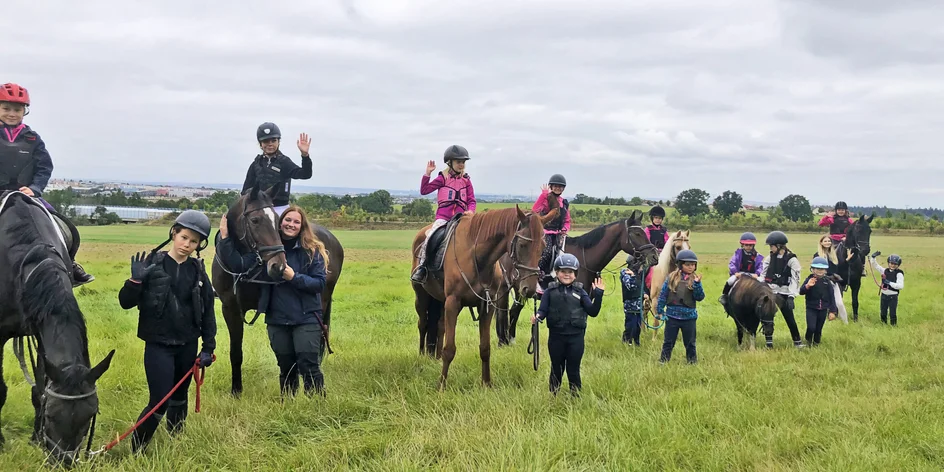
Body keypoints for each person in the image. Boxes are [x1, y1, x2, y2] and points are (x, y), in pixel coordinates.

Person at [118, 210, 216, 452]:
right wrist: (135, 282)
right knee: (160, 400)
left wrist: (209, 347)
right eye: (184, 237)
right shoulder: (151, 264)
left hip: (188, 344)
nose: (187, 245)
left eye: (194, 241)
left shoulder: (199, 271)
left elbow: (208, 311)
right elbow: (125, 302)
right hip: (158, 344)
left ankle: (176, 441)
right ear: (174, 233)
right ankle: (137, 451)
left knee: (180, 395)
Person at [217, 206, 330, 397]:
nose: (291, 225)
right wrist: (225, 238)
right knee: (285, 366)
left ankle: (316, 405)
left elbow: (319, 283)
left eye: (296, 222)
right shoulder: (265, 251)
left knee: (308, 363)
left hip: (306, 317)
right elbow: (238, 265)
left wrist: (294, 277)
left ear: (302, 226)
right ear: (279, 222)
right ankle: (288, 404)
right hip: (277, 317)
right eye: (287, 220)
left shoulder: (311, 251)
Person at [0, 82, 94, 285]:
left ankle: (70, 261)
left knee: (58, 223)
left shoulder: (33, 138)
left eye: (17, 109)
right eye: (6, 108)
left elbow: (44, 168)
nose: (12, 113)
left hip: (26, 193)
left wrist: (34, 189)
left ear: (25, 111)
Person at [531, 253, 604, 395]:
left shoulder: (581, 292)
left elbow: (593, 311)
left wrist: (599, 295)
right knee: (556, 369)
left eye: (570, 272)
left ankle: (575, 397)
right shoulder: (549, 292)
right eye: (563, 271)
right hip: (556, 339)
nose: (566, 274)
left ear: (575, 274)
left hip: (576, 340)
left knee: (573, 369)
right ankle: (553, 396)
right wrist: (537, 317)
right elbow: (543, 310)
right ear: (557, 272)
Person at [411, 145, 476, 283]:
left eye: (463, 162)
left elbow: (471, 200)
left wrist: (470, 211)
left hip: (461, 218)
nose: (461, 164)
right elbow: (424, 190)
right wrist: (427, 174)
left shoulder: (467, 180)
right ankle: (422, 267)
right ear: (450, 163)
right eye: (458, 161)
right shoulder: (442, 178)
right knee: (430, 237)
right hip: (444, 218)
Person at [241, 122, 313, 216]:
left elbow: (305, 174)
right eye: (266, 141)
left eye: (273, 140)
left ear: (278, 142)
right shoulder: (256, 164)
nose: (270, 144)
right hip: (259, 209)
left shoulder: (284, 162)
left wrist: (305, 156)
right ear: (260, 144)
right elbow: (245, 190)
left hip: (280, 209)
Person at [657, 249, 704, 364]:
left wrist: (697, 285)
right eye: (687, 265)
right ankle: (663, 361)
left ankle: (692, 362)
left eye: (693, 265)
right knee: (668, 342)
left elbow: (700, 297)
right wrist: (660, 310)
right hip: (672, 317)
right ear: (680, 264)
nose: (690, 267)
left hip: (689, 318)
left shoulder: (695, 279)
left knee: (690, 343)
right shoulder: (671, 278)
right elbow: (663, 294)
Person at [760, 231, 806, 349]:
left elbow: (795, 279)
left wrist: (791, 296)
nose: (770, 248)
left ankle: (797, 342)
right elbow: (763, 275)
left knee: (789, 317)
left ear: (779, 245)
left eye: (772, 246)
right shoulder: (769, 258)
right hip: (771, 291)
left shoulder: (792, 260)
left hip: (785, 292)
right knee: (767, 316)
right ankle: (769, 343)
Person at [533, 174, 571, 291]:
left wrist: (565, 229)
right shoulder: (545, 198)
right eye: (555, 186)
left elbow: (567, 220)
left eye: (560, 187)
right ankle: (537, 273)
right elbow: (535, 209)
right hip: (545, 232)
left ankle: (558, 276)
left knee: (564, 252)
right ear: (551, 186)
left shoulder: (564, 202)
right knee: (548, 251)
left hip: (558, 233)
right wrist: (543, 194)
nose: (558, 188)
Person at [799, 257, 839, 346]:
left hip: (823, 309)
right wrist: (808, 286)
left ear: (825, 270)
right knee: (811, 327)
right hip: (811, 308)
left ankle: (816, 343)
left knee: (818, 328)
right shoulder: (809, 279)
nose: (820, 271)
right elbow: (801, 291)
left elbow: (832, 297)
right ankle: (808, 340)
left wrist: (832, 311)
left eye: (822, 269)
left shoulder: (827, 282)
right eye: (817, 269)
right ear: (812, 269)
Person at [718, 232, 764, 307]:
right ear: (742, 245)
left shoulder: (757, 256)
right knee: (730, 281)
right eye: (746, 245)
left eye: (750, 245)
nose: (748, 247)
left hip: (752, 275)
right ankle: (725, 296)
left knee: (762, 282)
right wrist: (735, 272)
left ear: (753, 245)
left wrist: (757, 273)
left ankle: (764, 299)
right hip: (740, 274)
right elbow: (732, 263)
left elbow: (760, 266)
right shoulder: (738, 253)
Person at [869, 252, 904, 326]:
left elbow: (900, 286)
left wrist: (889, 283)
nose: (892, 265)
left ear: (898, 265)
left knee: (892, 313)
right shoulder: (884, 270)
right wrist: (873, 258)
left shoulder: (899, 273)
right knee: (883, 312)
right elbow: (876, 266)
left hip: (893, 296)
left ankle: (893, 326)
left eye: (895, 264)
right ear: (888, 263)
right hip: (884, 295)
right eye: (891, 263)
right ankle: (883, 325)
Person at [619, 254, 645, 346]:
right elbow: (631, 286)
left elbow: (641, 287)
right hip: (630, 305)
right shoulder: (625, 273)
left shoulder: (639, 274)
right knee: (631, 325)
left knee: (638, 326)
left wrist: (644, 294)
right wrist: (633, 276)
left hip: (639, 305)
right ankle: (626, 341)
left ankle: (636, 342)